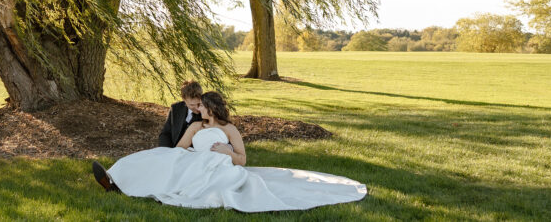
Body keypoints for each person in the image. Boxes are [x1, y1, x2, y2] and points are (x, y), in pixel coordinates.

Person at [91, 91, 367, 212]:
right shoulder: (197, 127)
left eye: (202, 107)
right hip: (194, 159)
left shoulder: (229, 129)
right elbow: (179, 149)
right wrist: (181, 151)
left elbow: (243, 161)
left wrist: (227, 151)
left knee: (197, 175)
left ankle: (130, 186)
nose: (198, 109)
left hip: (219, 164)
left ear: (212, 108)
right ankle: (114, 178)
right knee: (161, 157)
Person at [157, 80, 203, 148]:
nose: (197, 108)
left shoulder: (206, 112)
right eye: (192, 105)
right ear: (184, 99)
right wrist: (166, 151)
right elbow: (165, 134)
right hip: (172, 150)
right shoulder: (175, 108)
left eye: (198, 104)